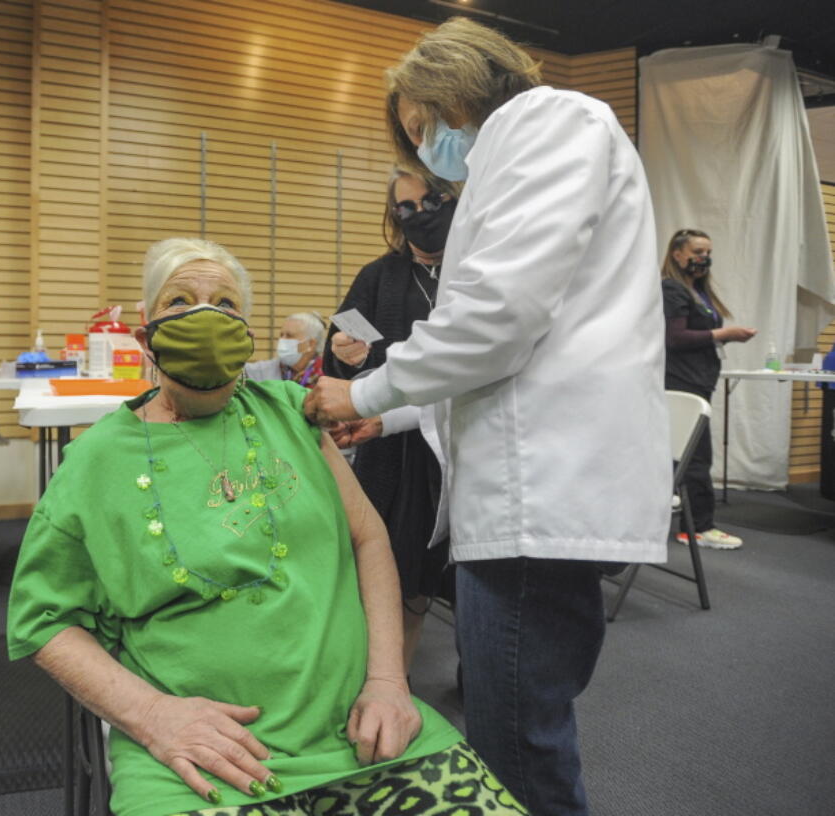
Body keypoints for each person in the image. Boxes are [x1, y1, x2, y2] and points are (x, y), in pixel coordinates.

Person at [7, 237, 526, 816]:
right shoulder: (96, 462)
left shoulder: (291, 412)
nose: (206, 316)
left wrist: (388, 681)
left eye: (227, 306)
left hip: (367, 737)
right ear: (145, 337)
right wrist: (152, 716)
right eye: (180, 301)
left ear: (247, 336)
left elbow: (368, 537)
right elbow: (44, 621)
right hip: (201, 762)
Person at [304, 18, 671, 816]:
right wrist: (389, 421)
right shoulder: (520, 151)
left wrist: (360, 394)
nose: (425, 147)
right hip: (533, 483)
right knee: (521, 725)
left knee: (516, 745)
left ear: (456, 85)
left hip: (540, 494)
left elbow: (495, 321)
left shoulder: (550, 123)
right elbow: (505, 348)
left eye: (422, 125)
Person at [324, 165, 457, 669]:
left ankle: (481, 676)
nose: (418, 216)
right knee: (396, 578)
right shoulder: (377, 276)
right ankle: (389, 681)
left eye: (431, 202)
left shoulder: (479, 276)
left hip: (464, 447)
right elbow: (335, 357)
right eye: (404, 208)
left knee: (472, 578)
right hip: (393, 454)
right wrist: (343, 354)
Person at [661, 228, 757, 549]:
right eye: (697, 251)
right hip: (681, 383)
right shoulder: (672, 290)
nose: (704, 258)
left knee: (686, 457)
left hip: (698, 381)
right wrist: (723, 333)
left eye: (707, 252)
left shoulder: (697, 291)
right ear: (677, 253)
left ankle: (689, 523)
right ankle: (698, 528)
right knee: (697, 457)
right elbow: (674, 338)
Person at [243, 311, 326, 387]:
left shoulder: (327, 376)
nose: (282, 340)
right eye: (281, 335)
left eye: (289, 336)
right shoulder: (262, 371)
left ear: (311, 344)